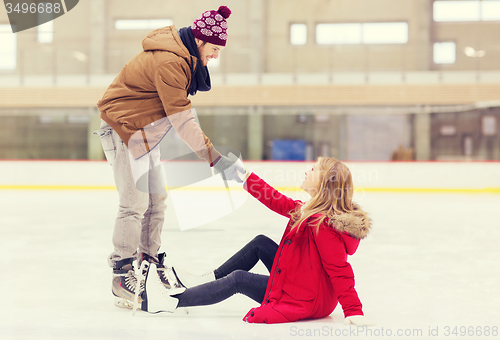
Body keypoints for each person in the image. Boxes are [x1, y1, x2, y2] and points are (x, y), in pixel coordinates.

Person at [95, 5, 243, 309]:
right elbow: (184, 122)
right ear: (200, 41)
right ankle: (122, 275)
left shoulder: (183, 59)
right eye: (214, 48)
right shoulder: (170, 62)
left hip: (146, 130)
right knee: (134, 202)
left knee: (157, 199)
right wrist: (215, 158)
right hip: (122, 126)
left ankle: (147, 263)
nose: (215, 56)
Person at [138, 157, 375, 325]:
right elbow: (276, 200)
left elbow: (339, 270)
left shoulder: (323, 226)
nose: (306, 171)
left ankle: (170, 301)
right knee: (261, 243)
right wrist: (243, 177)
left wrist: (354, 310)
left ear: (324, 183)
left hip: (306, 299)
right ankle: (207, 279)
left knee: (239, 280)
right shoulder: (307, 212)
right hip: (305, 285)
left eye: (313, 169)